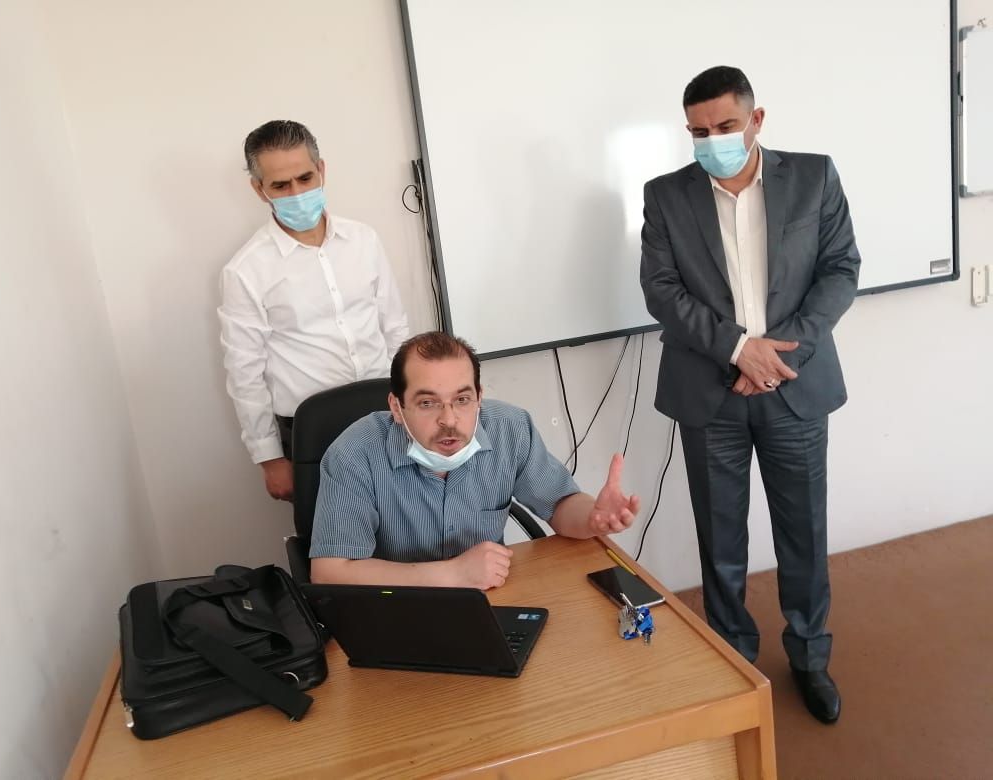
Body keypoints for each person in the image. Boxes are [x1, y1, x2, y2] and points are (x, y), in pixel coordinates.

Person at [640, 66, 860, 724]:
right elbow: (661, 291)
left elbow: (839, 270)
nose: (712, 140)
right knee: (720, 538)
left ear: (756, 119)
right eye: (698, 132)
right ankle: (732, 656)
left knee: (804, 532)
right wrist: (739, 349)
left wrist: (775, 356)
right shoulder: (665, 195)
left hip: (794, 386)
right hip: (710, 392)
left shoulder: (814, 177)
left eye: (726, 126)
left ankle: (810, 657)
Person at [309, 331, 640, 589]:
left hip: (490, 595)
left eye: (462, 400)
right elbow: (329, 572)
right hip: (394, 604)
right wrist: (452, 574)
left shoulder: (510, 429)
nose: (449, 419)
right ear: (397, 407)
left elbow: (560, 506)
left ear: (479, 397)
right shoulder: (354, 453)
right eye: (427, 403)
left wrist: (592, 518)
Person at [219, 120, 409, 502]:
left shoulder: (363, 240)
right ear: (259, 189)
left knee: (409, 523)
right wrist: (270, 458)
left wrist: (414, 403)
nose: (297, 193)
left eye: (305, 178)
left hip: (387, 413)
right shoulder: (246, 270)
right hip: (313, 431)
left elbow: (395, 327)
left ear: (321, 170)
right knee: (335, 534)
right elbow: (244, 372)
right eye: (280, 185)